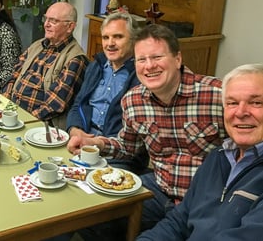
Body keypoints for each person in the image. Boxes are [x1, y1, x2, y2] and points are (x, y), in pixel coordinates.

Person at [89, 24, 226, 239]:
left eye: (157, 57)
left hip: (204, 201)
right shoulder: (133, 101)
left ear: (178, 59)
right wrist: (99, 143)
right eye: (142, 60)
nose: (149, 66)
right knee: (92, 215)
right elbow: (127, 148)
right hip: (158, 189)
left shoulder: (218, 96)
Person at [138, 64, 263, 240]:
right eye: (232, 103)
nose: (240, 112)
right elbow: (178, 221)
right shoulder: (219, 156)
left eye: (256, 102)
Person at [65, 12, 146, 171]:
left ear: (134, 40)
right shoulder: (96, 66)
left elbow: (136, 140)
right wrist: (75, 130)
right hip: (84, 143)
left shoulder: (141, 75)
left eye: (118, 37)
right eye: (105, 37)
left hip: (119, 155)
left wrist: (99, 144)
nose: (110, 43)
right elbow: (77, 104)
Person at [2, 2, 88, 129]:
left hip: (40, 124)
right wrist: (6, 104)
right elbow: (14, 74)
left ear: (70, 27)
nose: (46, 24)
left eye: (53, 21)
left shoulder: (75, 59)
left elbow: (55, 104)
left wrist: (24, 119)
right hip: (13, 112)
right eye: (46, 18)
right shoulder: (37, 45)